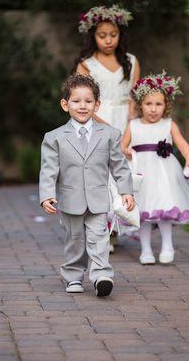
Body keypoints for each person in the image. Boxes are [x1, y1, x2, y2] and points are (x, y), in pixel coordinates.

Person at [39, 74, 134, 297]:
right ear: (65, 104)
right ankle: (73, 276)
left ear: (97, 104)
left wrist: (126, 191)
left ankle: (102, 276)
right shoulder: (54, 138)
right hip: (70, 199)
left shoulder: (110, 134)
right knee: (74, 240)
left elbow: (119, 166)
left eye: (88, 101)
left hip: (99, 199)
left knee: (98, 237)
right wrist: (46, 195)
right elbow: (49, 169)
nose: (82, 106)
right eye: (76, 101)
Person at [121, 71, 189, 265]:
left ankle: (167, 246)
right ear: (140, 105)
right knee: (142, 213)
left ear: (166, 105)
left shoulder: (169, 124)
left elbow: (182, 143)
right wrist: (126, 151)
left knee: (164, 209)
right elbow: (122, 145)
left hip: (164, 173)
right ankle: (145, 250)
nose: (153, 109)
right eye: (148, 104)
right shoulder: (133, 125)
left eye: (158, 104)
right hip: (142, 173)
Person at [73, 5, 141, 252]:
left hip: (126, 122)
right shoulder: (86, 64)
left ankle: (117, 228)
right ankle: (100, 229)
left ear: (120, 34)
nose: (109, 40)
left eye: (113, 34)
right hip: (97, 121)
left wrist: (129, 129)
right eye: (103, 35)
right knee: (100, 175)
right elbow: (82, 101)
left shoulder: (131, 62)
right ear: (93, 36)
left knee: (123, 174)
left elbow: (134, 98)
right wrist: (107, 127)